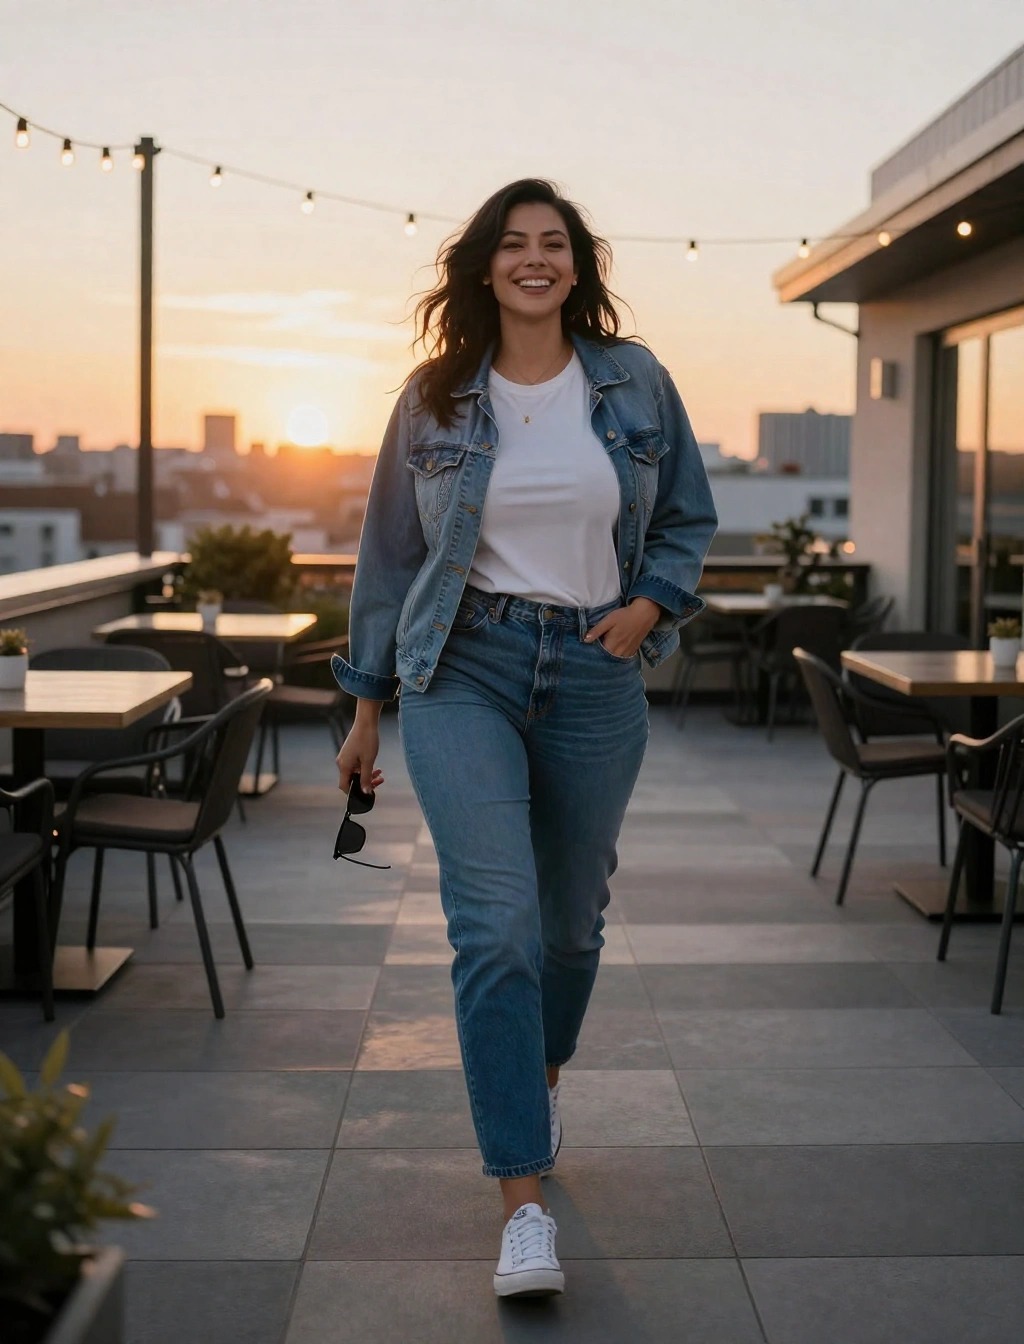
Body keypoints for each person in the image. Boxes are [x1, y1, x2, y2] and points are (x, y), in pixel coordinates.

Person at [332, 178, 717, 1299]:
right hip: (464, 668)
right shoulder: (436, 397)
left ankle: (535, 1077)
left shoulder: (634, 379)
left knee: (567, 930)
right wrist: (366, 707)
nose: (535, 260)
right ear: (485, 267)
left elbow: (687, 515)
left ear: (576, 266)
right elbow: (389, 561)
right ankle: (522, 1203)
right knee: (492, 927)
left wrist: (649, 604)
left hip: (595, 672)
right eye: (515, 245)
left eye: (554, 244)